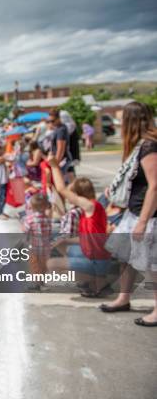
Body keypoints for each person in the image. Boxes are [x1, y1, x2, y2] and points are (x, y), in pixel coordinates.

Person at [100, 102, 157, 326]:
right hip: (135, 210)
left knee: (151, 264)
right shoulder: (141, 145)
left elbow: (154, 186)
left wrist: (142, 222)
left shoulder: (150, 146)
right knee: (126, 256)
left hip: (148, 214)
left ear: (131, 121)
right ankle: (123, 297)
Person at [47, 155, 112, 297]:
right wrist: (63, 241)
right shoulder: (92, 210)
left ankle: (97, 280)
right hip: (97, 256)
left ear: (79, 195)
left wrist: (54, 166)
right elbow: (87, 238)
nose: (69, 198)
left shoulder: (90, 206)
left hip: (96, 261)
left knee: (51, 265)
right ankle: (93, 279)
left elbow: (61, 189)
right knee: (60, 242)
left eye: (73, 194)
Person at [22, 193, 51, 290]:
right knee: (43, 265)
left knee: (34, 265)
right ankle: (42, 282)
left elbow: (25, 231)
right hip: (45, 247)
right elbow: (49, 232)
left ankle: (36, 283)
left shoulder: (29, 219)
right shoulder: (47, 218)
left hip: (34, 247)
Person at [47, 108, 73, 180]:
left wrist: (56, 164)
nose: (51, 123)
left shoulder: (61, 129)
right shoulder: (58, 128)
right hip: (60, 160)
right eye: (49, 121)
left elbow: (60, 148)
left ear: (58, 118)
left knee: (61, 182)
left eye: (53, 121)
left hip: (62, 160)